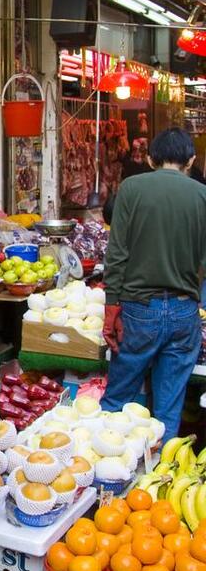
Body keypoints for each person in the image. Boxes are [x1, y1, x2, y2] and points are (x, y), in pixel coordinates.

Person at [101, 127, 206, 439]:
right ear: (191, 159)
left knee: (116, 400)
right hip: (185, 312)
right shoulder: (202, 195)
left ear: (149, 158)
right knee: (167, 411)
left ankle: (107, 475)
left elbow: (116, 253)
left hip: (138, 311)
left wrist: (111, 307)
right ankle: (159, 476)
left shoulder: (131, 188)